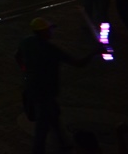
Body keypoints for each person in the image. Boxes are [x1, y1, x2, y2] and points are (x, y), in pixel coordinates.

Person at [15, 17, 98, 154]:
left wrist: (25, 71)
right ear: (42, 32)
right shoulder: (51, 50)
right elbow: (78, 63)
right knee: (42, 128)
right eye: (49, 30)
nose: (51, 32)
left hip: (32, 89)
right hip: (45, 93)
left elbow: (17, 56)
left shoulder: (26, 42)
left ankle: (63, 143)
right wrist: (94, 53)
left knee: (53, 116)